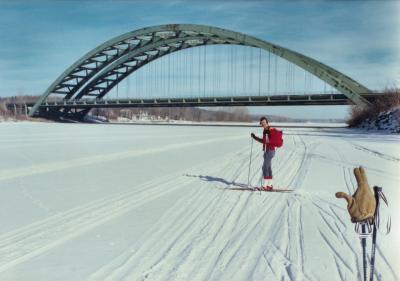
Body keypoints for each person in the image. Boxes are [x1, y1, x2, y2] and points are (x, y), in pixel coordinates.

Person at [251, 116, 276, 191]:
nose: (263, 124)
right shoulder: (265, 130)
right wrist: (255, 137)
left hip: (269, 151)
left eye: (264, 122)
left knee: (265, 168)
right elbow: (265, 141)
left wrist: (256, 138)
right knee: (268, 167)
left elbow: (266, 141)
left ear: (267, 122)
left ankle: (265, 186)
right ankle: (270, 185)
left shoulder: (269, 130)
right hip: (269, 150)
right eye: (262, 123)